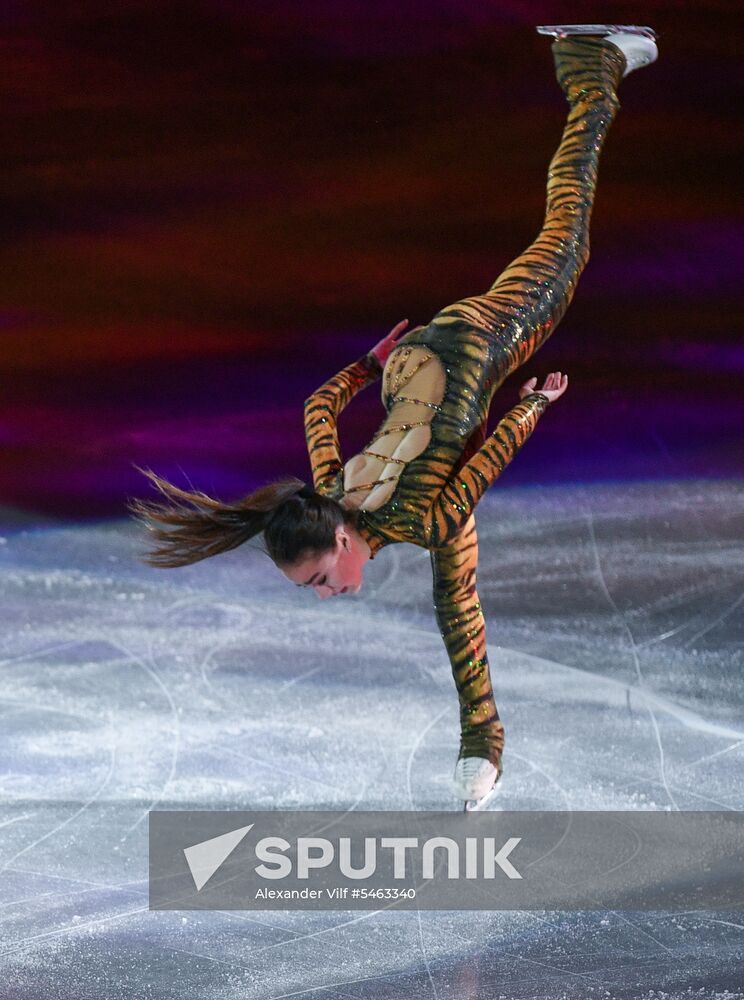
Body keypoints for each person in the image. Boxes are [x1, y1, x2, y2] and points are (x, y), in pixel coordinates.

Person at [129, 25, 658, 804]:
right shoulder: (327, 483)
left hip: (480, 343)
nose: (325, 593)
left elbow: (481, 469)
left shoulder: (418, 518)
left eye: (318, 576)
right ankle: (481, 750)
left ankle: (591, 62)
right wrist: (371, 366)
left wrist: (532, 407)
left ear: (342, 539)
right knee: (458, 601)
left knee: (567, 238)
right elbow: (319, 405)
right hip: (419, 364)